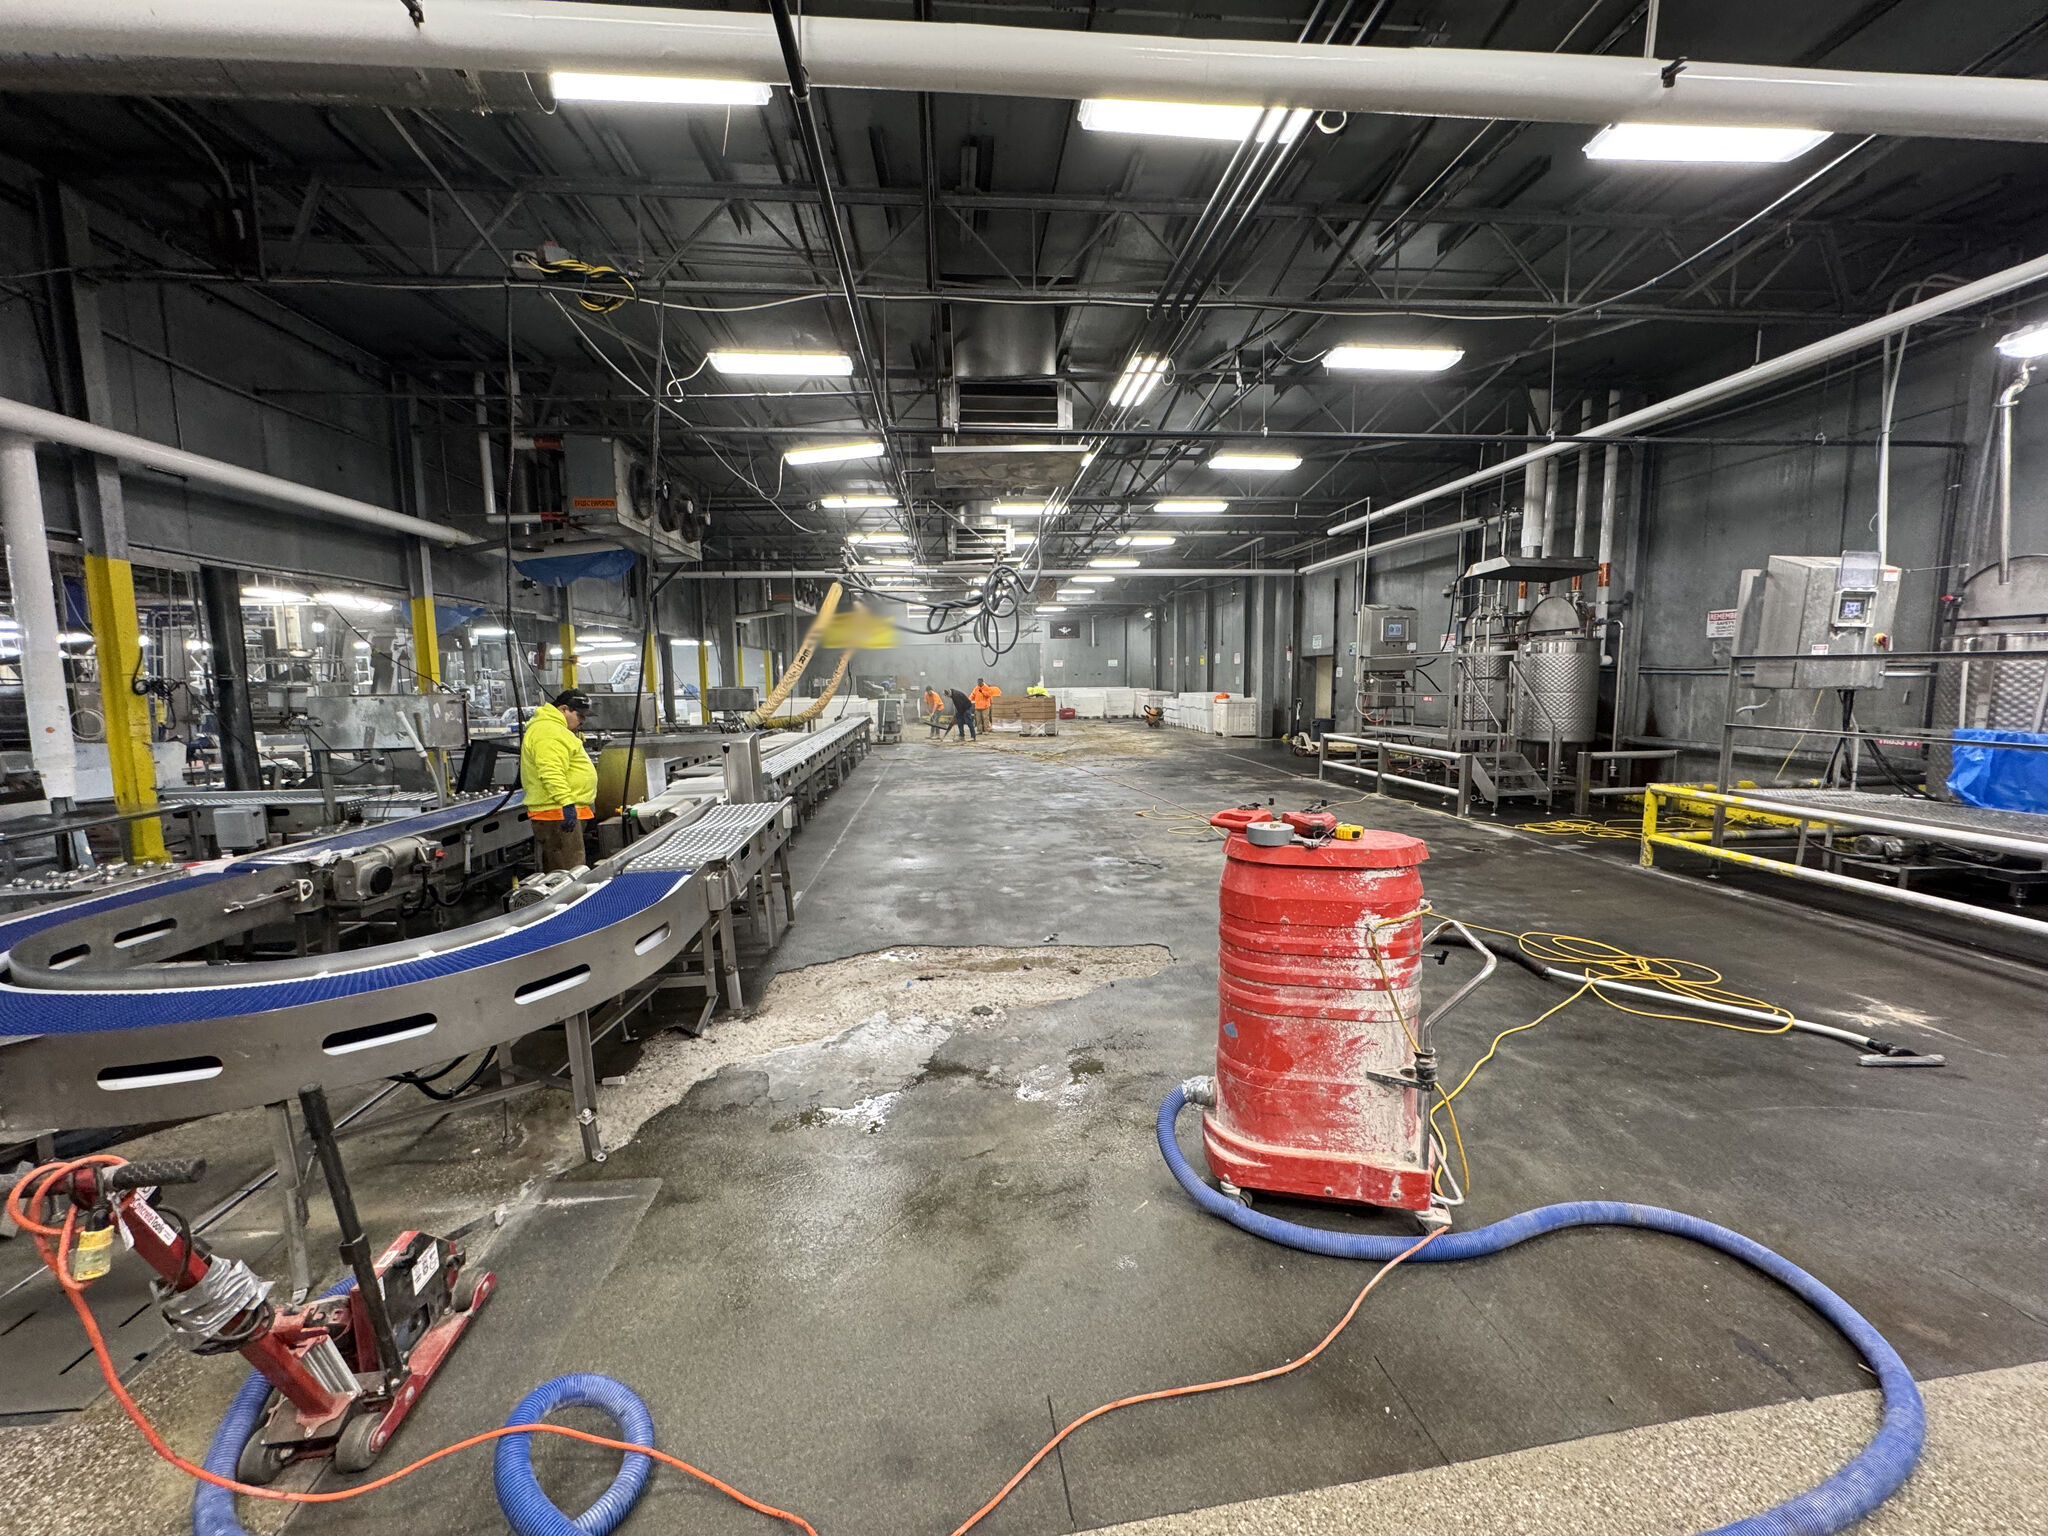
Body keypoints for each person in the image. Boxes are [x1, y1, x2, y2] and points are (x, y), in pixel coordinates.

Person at [521, 688, 599, 872]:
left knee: (569, 869)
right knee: (568, 873)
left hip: (560, 810)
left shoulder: (554, 729)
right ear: (563, 709)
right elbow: (551, 771)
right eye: (579, 715)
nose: (583, 721)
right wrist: (566, 803)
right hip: (557, 811)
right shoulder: (548, 731)